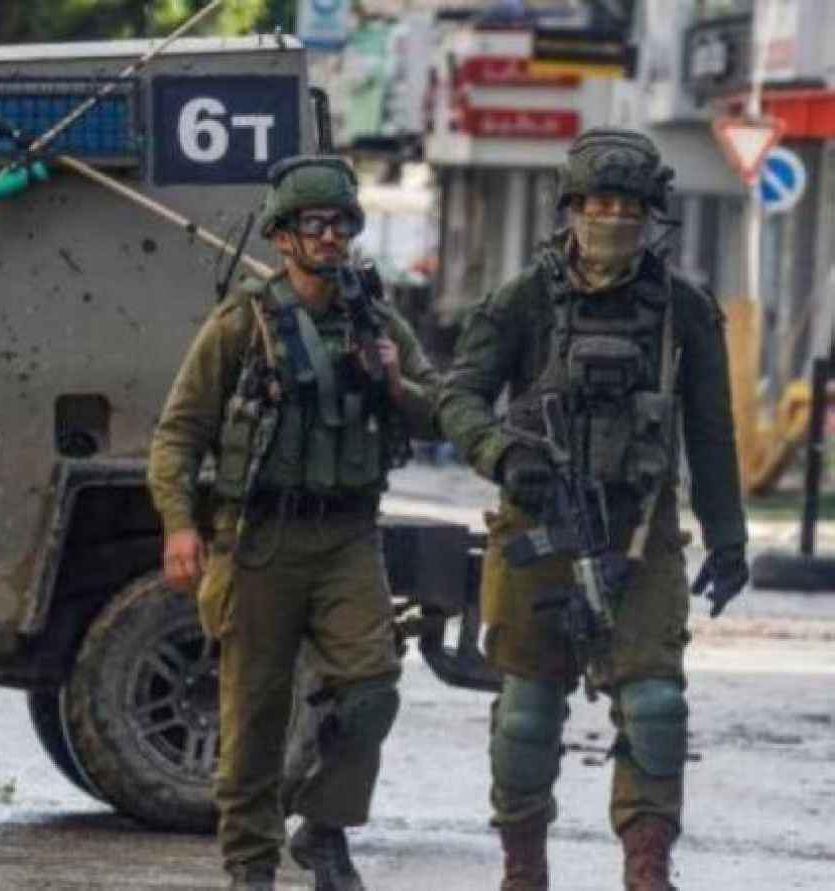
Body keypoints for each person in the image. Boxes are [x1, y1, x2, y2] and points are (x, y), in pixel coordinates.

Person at [436, 128, 750, 891]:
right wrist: (504, 454)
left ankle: (647, 868)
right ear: (572, 207)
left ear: (652, 214)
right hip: (536, 528)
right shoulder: (522, 300)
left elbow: (711, 432)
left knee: (655, 704)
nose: (614, 218)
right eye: (601, 203)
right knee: (527, 711)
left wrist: (729, 538)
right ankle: (523, 868)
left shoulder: (683, 311)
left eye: (630, 206)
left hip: (640, 533)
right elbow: (459, 395)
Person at [147, 155, 440, 891]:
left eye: (341, 223)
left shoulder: (378, 322)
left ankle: (325, 827)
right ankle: (250, 864)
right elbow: (178, 434)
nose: (331, 237)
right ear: (283, 236)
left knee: (371, 692)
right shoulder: (242, 324)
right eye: (314, 223)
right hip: (259, 540)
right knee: (254, 716)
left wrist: (394, 380)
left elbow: (439, 412)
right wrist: (180, 524)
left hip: (347, 537)